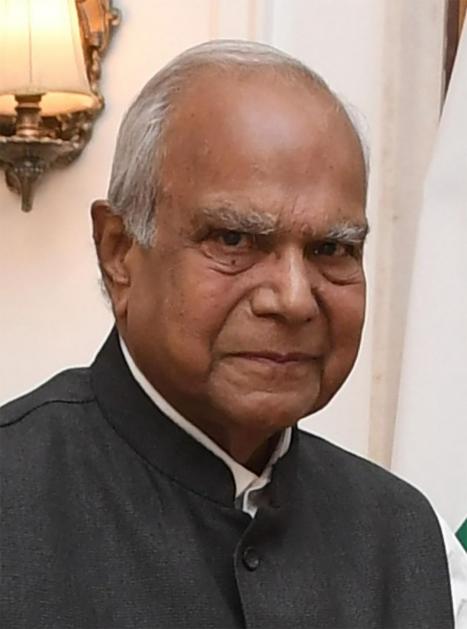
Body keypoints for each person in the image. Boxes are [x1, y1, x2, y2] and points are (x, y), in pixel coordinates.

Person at [1, 40, 466, 629]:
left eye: (331, 248)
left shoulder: (403, 539)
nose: (293, 299)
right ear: (119, 251)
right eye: (234, 241)